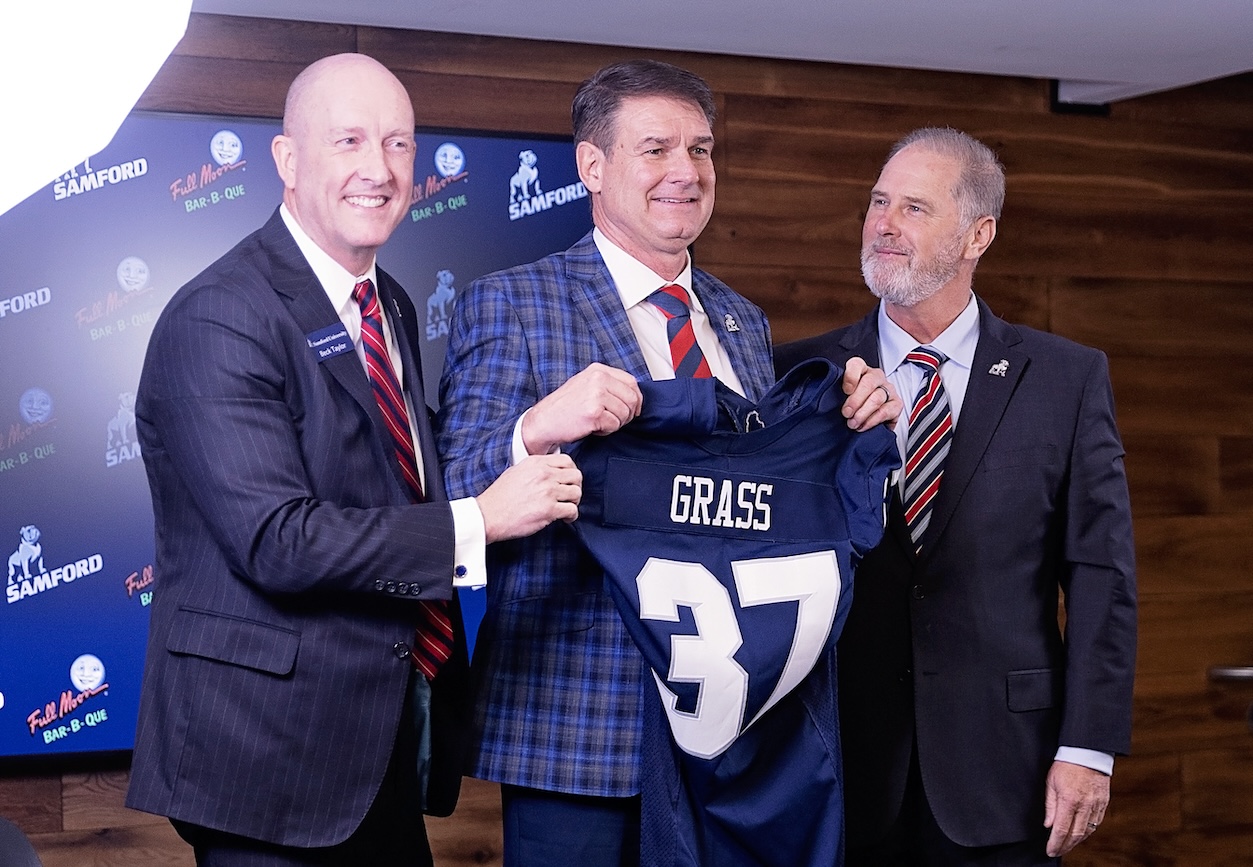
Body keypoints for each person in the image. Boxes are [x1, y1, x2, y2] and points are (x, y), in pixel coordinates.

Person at [436, 59, 901, 867]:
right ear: (592, 165)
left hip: (735, 735)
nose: (684, 172)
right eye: (656, 149)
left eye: (701, 149)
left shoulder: (742, 323)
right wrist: (538, 427)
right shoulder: (510, 301)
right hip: (578, 730)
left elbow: (766, 503)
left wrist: (854, 421)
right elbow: (453, 494)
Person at [125, 53, 582, 866]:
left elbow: (397, 464)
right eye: (349, 141)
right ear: (288, 160)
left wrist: (524, 435)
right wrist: (480, 519)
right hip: (265, 762)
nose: (379, 169)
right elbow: (278, 541)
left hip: (379, 746)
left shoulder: (385, 300)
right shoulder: (219, 317)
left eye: (399, 144)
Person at [775, 127, 1138, 866]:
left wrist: (1089, 745)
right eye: (877, 202)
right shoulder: (799, 375)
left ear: (978, 233)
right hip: (834, 768)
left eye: (913, 207)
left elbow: (1102, 576)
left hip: (1004, 771)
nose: (882, 223)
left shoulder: (1065, 378)